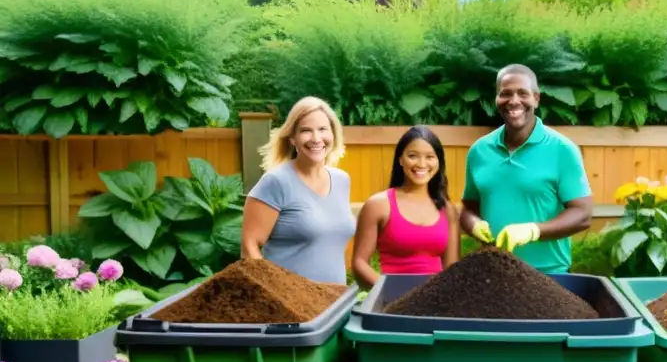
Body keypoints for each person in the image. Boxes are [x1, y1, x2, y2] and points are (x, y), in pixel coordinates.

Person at [459, 64, 593, 274]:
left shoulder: (562, 150)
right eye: (505, 94)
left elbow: (583, 214)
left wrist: (533, 231)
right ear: (496, 99)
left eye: (523, 93)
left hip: (548, 275)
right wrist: (474, 224)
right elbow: (468, 207)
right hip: (492, 272)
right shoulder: (479, 151)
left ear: (536, 99)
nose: (514, 101)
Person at [241, 96, 356, 285]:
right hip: (290, 308)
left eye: (322, 129)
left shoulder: (342, 180)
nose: (316, 138)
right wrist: (275, 296)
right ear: (292, 138)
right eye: (305, 131)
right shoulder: (276, 181)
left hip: (335, 304)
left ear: (333, 134)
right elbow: (249, 247)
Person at [351, 125, 460, 288]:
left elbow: (452, 270)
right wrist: (388, 291)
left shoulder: (447, 210)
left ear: (438, 162)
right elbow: (359, 264)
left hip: (435, 304)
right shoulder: (378, 205)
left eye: (430, 157)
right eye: (413, 156)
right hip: (392, 303)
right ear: (400, 159)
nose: (422, 164)